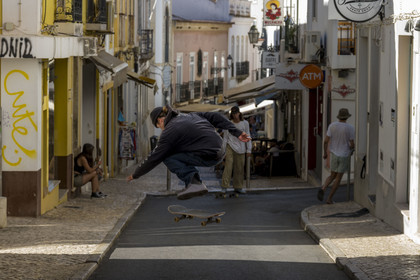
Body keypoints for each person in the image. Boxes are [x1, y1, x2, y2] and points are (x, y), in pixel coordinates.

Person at [126, 105, 250, 200]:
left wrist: (135, 174)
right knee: (177, 147)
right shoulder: (190, 115)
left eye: (159, 127)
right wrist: (237, 132)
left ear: (160, 120)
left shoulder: (168, 132)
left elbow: (154, 157)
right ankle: (194, 182)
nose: (161, 129)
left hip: (208, 155)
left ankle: (193, 182)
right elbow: (215, 117)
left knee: (167, 156)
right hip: (220, 149)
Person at [317, 108, 355, 204]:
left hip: (334, 154)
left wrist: (325, 153)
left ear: (339, 117)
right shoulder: (350, 128)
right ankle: (329, 199)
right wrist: (353, 148)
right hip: (344, 155)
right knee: (338, 178)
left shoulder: (332, 126)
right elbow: (351, 143)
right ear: (347, 117)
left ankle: (324, 187)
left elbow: (325, 141)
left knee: (332, 175)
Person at [221, 106, 252, 194]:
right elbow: (225, 138)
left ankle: (238, 186)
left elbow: (248, 135)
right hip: (230, 146)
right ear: (232, 114)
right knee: (228, 166)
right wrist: (224, 151)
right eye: (233, 114)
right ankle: (224, 186)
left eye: (236, 113)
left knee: (239, 168)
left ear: (239, 113)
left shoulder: (245, 123)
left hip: (241, 147)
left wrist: (248, 149)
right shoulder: (228, 123)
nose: (235, 115)